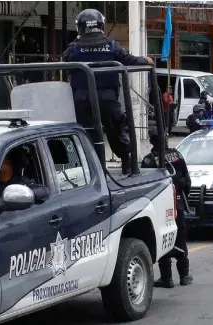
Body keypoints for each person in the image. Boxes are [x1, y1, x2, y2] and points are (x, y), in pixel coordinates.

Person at [63, 8, 154, 174]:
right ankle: (128, 163)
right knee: (117, 131)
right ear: (100, 25)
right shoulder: (111, 46)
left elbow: (64, 63)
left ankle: (93, 169)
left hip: (82, 101)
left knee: (87, 134)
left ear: (80, 28)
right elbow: (130, 60)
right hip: (108, 99)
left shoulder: (73, 49)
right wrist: (146, 60)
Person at [141, 128, 192, 288]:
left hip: (161, 207)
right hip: (178, 204)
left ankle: (167, 278)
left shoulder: (148, 161)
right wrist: (182, 199)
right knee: (180, 239)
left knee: (164, 239)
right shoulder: (177, 155)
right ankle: (184, 276)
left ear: (151, 141)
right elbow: (187, 181)